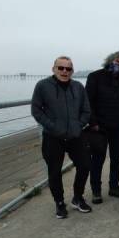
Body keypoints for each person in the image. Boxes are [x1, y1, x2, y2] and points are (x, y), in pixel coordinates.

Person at [31, 56, 92, 218]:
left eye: (68, 68)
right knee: (54, 172)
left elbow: (86, 110)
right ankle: (59, 203)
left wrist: (78, 125)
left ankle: (78, 197)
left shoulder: (78, 87)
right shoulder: (42, 86)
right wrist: (53, 126)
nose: (65, 71)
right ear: (54, 69)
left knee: (85, 165)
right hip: (53, 136)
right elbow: (36, 110)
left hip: (75, 135)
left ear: (72, 71)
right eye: (61, 68)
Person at [86, 51, 119, 204]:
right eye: (117, 61)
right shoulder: (95, 76)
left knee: (116, 158)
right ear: (110, 61)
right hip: (99, 126)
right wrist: (93, 123)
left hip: (118, 125)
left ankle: (114, 186)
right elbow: (88, 103)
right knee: (97, 159)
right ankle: (96, 191)